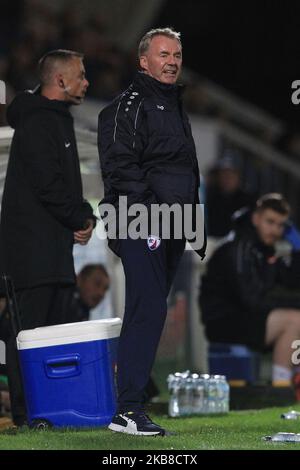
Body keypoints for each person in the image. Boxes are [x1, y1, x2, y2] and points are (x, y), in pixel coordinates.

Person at [98, 27, 206, 436]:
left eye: (177, 54)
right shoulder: (126, 106)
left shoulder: (174, 106)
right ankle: (127, 409)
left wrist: (192, 223)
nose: (172, 61)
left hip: (173, 223)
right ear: (143, 61)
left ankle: (129, 404)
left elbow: (186, 172)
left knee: (149, 309)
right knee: (149, 308)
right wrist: (149, 218)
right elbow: (121, 168)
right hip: (139, 219)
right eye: (164, 54)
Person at [0, 49, 95, 426]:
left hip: (52, 253)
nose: (87, 81)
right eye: (81, 75)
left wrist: (77, 220)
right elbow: (48, 185)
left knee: (51, 338)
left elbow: (56, 187)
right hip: (30, 256)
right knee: (27, 337)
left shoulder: (54, 118)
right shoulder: (38, 122)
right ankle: (27, 416)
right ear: (60, 80)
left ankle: (51, 411)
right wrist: (81, 215)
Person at [200, 193, 300, 393]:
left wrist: (297, 251)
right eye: (270, 222)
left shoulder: (264, 249)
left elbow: (292, 281)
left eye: (281, 225)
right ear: (256, 219)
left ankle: (288, 383)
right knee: (294, 320)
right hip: (225, 322)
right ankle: (281, 389)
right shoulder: (240, 247)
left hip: (246, 316)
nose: (275, 230)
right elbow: (251, 299)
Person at [206, 152, 256, 237]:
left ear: (239, 176)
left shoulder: (249, 201)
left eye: (231, 174)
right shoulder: (210, 198)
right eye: (223, 174)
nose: (227, 178)